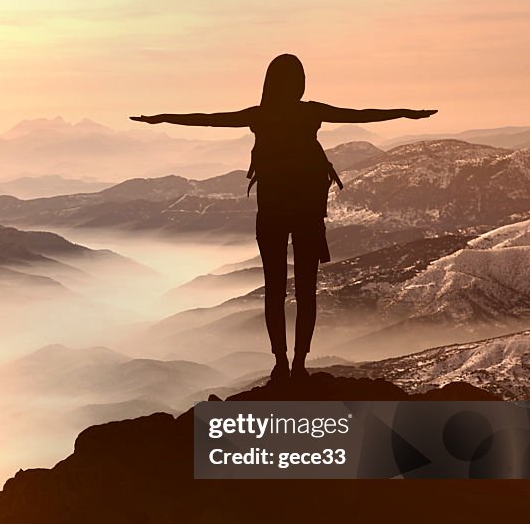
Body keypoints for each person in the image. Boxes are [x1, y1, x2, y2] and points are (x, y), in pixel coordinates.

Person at [131, 53, 436, 381]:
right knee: (307, 290)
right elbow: (361, 114)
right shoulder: (310, 112)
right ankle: (299, 364)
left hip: (272, 213)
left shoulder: (260, 115)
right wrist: (406, 113)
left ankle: (281, 363)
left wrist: (160, 118)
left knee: (274, 289)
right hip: (307, 212)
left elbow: (208, 118)